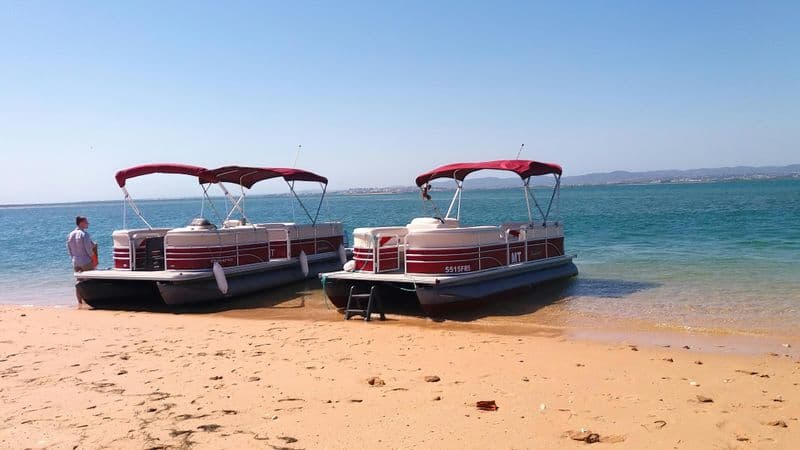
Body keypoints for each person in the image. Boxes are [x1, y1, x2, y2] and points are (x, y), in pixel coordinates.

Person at [67, 216, 97, 305]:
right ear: (81, 223)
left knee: (79, 282)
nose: (88, 223)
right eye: (86, 222)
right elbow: (88, 249)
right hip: (85, 261)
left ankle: (80, 302)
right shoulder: (84, 234)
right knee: (90, 281)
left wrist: (73, 258)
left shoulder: (70, 234)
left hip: (75, 260)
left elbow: (69, 249)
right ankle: (91, 300)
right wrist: (93, 258)